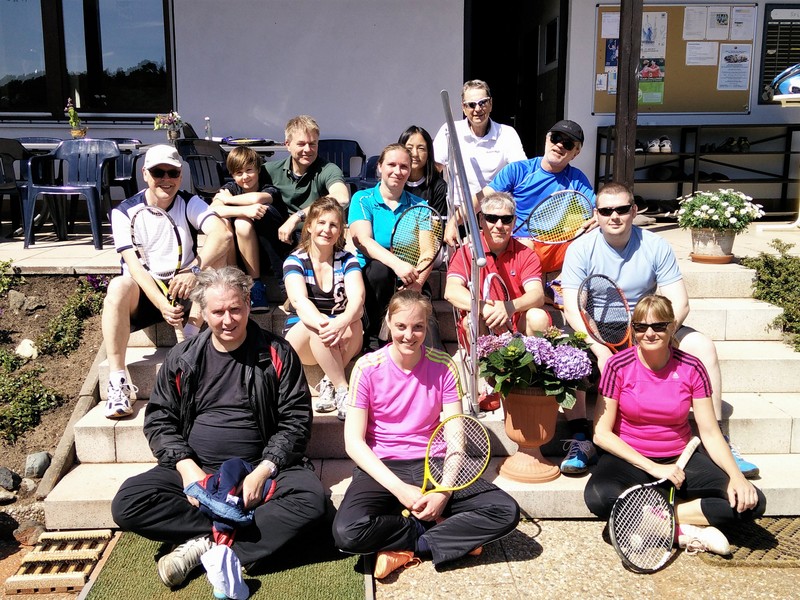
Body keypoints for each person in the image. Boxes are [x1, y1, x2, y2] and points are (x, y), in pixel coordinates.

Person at [111, 266, 326, 592]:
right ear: (204, 313)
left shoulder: (277, 353)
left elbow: (295, 421)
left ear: (247, 305)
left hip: (260, 472)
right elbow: (159, 419)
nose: (228, 320)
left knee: (312, 500)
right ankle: (229, 531)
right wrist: (187, 469)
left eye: (235, 309)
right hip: (199, 471)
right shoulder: (183, 357)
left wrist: (264, 470)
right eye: (218, 312)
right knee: (128, 502)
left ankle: (210, 550)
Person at [561, 182, 760, 478]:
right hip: (596, 328)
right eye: (606, 210)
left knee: (703, 346)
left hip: (647, 325)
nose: (614, 216)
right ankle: (579, 439)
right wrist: (598, 347)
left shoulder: (655, 245)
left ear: (634, 210)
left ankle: (717, 439)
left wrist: (658, 335)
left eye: (622, 209)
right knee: (569, 354)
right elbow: (573, 306)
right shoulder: (580, 249)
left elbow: (679, 302)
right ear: (597, 215)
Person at [331, 290, 520, 580]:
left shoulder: (444, 366)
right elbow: (353, 443)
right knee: (347, 532)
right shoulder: (366, 368)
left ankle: (409, 545)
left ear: (427, 326)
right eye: (401, 327)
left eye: (418, 327)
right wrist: (401, 490)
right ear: (388, 324)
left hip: (435, 463)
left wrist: (443, 492)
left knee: (505, 510)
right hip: (383, 468)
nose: (409, 335)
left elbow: (457, 439)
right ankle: (439, 533)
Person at [584, 295, 766, 555]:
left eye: (658, 326)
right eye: (641, 327)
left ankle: (653, 520)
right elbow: (601, 434)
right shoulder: (617, 365)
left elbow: (710, 433)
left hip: (681, 457)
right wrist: (655, 468)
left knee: (751, 501)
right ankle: (687, 532)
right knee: (599, 498)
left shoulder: (692, 367)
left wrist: (736, 477)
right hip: (629, 457)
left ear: (671, 327)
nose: (649, 333)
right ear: (632, 330)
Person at [103, 144, 231, 419]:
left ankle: (193, 331)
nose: (165, 179)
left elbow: (222, 235)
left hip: (187, 289)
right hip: (147, 294)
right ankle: (118, 381)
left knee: (219, 252)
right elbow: (134, 267)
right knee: (117, 287)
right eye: (158, 172)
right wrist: (161, 303)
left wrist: (194, 270)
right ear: (145, 174)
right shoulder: (124, 212)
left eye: (172, 172)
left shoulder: (190, 202)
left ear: (180, 175)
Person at [453, 119, 595, 276]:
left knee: (593, 237)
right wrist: (454, 222)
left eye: (568, 144)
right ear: (547, 139)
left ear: (576, 153)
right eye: (555, 138)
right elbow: (481, 199)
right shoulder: (518, 170)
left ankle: (561, 286)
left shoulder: (577, 179)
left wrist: (591, 224)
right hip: (519, 241)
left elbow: (598, 211)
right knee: (524, 246)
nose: (559, 145)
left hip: (552, 246)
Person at [348, 143, 442, 349]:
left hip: (412, 278)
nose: (397, 171)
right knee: (379, 270)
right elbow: (363, 241)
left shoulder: (420, 205)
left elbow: (428, 250)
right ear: (379, 167)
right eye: (391, 164)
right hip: (375, 281)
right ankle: (374, 339)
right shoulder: (362, 199)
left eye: (404, 167)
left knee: (431, 343)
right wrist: (397, 264)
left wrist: (417, 283)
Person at [283, 196, 365, 420]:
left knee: (355, 321)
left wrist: (340, 321)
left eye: (333, 225)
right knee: (316, 325)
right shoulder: (295, 260)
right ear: (309, 226)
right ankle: (343, 388)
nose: (326, 230)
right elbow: (299, 302)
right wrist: (328, 324)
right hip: (302, 337)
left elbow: (357, 300)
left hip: (343, 334)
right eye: (321, 223)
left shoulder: (348, 260)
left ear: (340, 231)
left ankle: (328, 381)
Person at [445, 191, 549, 337]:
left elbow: (537, 295)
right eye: (492, 219)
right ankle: (481, 360)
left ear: (514, 221)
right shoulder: (466, 252)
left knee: (538, 317)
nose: (499, 225)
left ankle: (532, 359)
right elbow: (451, 291)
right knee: (471, 320)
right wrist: (484, 308)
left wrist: (509, 307)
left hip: (517, 325)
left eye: (506, 219)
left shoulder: (526, 254)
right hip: (483, 322)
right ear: (481, 220)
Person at [264, 115, 351, 257]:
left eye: (312, 144)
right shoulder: (271, 170)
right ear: (287, 144)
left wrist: (297, 217)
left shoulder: (328, 169)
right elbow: (239, 184)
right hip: (281, 236)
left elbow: (341, 198)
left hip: (316, 235)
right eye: (301, 144)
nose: (308, 149)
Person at [210, 146, 283, 310]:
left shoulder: (268, 187)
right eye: (238, 173)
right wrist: (243, 210)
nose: (245, 177)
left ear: (258, 169)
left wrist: (229, 201)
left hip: (267, 251)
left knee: (242, 223)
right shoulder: (230, 189)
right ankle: (234, 279)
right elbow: (212, 209)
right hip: (238, 252)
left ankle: (256, 286)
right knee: (222, 223)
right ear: (232, 175)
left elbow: (258, 198)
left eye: (249, 170)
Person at [432, 79, 526, 195]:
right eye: (471, 104)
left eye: (482, 103)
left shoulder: (507, 133)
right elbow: (435, 169)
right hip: (460, 209)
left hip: (494, 207)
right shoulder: (449, 130)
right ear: (463, 108)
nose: (477, 109)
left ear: (490, 104)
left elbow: (520, 172)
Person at [398, 125, 448, 216]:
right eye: (409, 148)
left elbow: (437, 225)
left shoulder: (438, 187)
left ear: (429, 152)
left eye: (421, 148)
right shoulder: (394, 181)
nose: (415, 154)